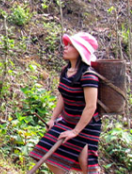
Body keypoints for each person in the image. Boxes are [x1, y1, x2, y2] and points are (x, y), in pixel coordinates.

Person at [30, 32, 101, 174]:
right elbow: (63, 96)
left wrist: (75, 132)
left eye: (71, 46)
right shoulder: (65, 71)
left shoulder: (88, 75)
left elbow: (91, 106)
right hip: (67, 121)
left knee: (86, 166)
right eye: (67, 45)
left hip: (87, 125)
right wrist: (52, 119)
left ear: (80, 52)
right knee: (43, 152)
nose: (65, 48)